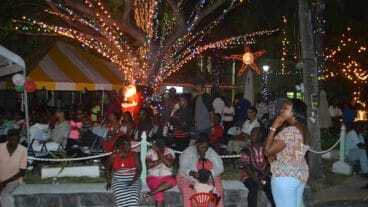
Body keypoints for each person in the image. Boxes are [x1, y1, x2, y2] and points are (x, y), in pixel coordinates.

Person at [265, 99, 310, 207]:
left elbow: (267, 151)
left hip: (285, 176)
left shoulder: (290, 131)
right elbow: (293, 151)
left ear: (295, 112)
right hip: (299, 174)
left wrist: (273, 127)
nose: (281, 110)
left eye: (285, 108)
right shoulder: (305, 129)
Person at [177, 133, 224, 207]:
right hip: (187, 177)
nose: (204, 150)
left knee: (217, 190)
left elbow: (220, 167)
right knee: (189, 191)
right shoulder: (188, 152)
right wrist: (191, 173)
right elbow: (182, 168)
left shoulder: (211, 152)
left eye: (206, 147)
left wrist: (209, 173)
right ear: (197, 145)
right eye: (202, 147)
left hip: (206, 177)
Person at [240, 127, 275, 207]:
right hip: (249, 176)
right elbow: (246, 166)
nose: (251, 136)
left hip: (263, 175)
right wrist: (256, 179)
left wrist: (263, 177)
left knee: (270, 185)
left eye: (254, 134)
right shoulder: (246, 149)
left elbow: (270, 165)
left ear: (260, 136)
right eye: (251, 134)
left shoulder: (266, 149)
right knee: (253, 187)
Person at [105, 138, 141, 207]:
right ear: (121, 146)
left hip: (133, 179)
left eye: (129, 144)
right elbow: (107, 169)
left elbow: (139, 169)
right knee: (121, 198)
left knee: (134, 198)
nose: (130, 146)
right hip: (118, 180)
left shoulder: (134, 154)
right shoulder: (114, 156)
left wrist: (133, 181)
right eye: (127, 145)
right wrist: (109, 181)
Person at [145, 138, 177, 207]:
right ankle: (154, 192)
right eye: (157, 143)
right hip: (153, 177)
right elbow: (149, 165)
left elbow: (169, 164)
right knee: (159, 193)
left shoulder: (170, 151)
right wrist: (162, 158)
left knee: (173, 181)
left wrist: (158, 152)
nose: (159, 145)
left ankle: (151, 193)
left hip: (167, 178)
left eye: (161, 143)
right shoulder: (150, 152)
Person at [0, 129, 27, 207]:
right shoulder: (0, 147)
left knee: (4, 195)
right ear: (8, 138)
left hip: (14, 180)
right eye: (12, 139)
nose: (14, 142)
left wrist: (4, 183)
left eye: (17, 139)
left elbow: (22, 172)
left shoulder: (23, 150)